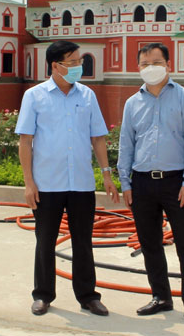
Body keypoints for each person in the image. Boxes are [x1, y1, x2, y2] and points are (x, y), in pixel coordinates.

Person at [17, 40, 118, 317]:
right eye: (72, 62)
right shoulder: (34, 96)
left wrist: (106, 174)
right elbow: (26, 141)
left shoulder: (87, 96)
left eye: (79, 61)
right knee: (45, 240)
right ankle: (43, 295)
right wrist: (29, 183)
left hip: (81, 183)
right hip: (47, 183)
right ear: (55, 65)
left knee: (83, 241)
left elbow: (97, 137)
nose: (78, 67)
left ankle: (88, 296)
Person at [118, 43, 184, 325]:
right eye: (145, 63)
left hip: (176, 183)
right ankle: (161, 296)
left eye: (156, 62)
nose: (150, 67)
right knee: (150, 242)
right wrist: (126, 182)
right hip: (142, 182)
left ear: (168, 64)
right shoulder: (133, 103)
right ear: (138, 68)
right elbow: (127, 143)